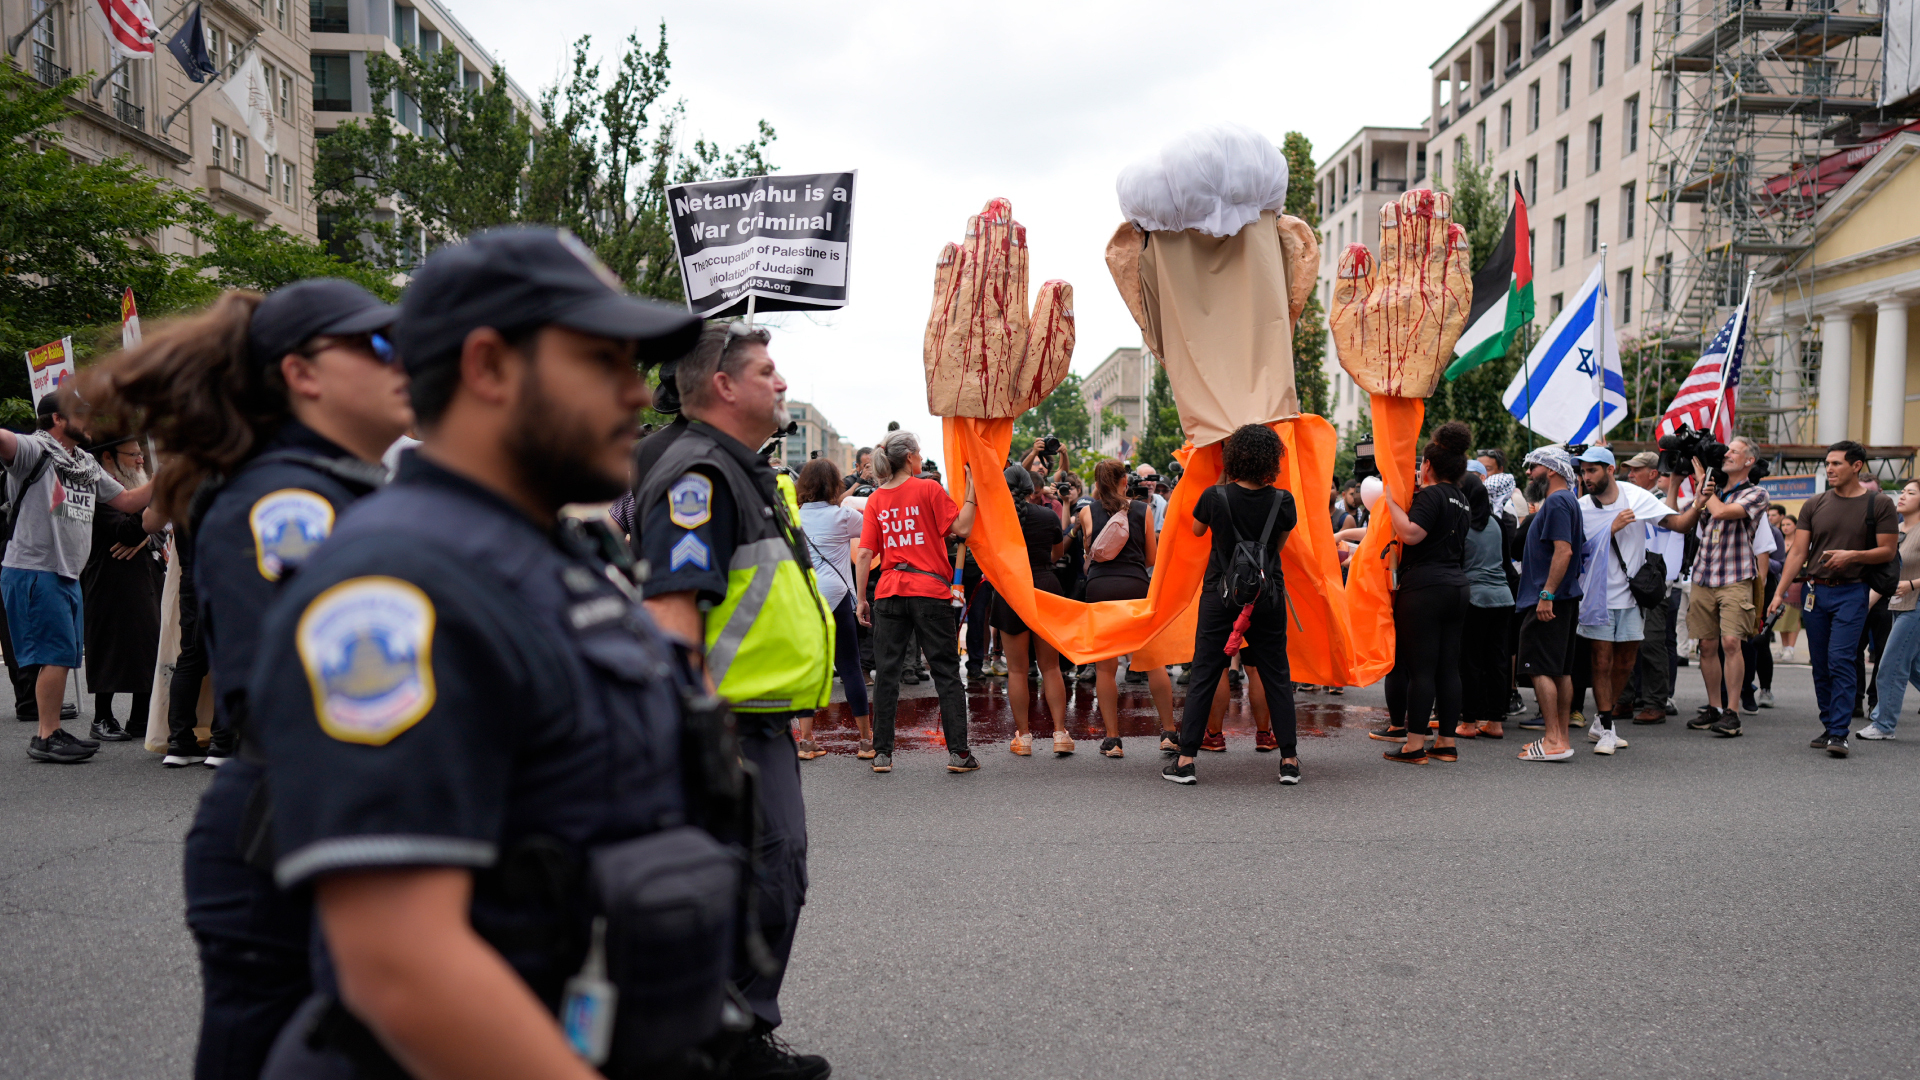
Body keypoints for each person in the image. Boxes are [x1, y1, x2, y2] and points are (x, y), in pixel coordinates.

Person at [247, 229, 810, 1080]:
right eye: (604, 361)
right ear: (489, 367)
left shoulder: (555, 555)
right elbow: (403, 965)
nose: (636, 392)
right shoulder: (391, 590)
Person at [77, 278, 409, 1080]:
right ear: (303, 374)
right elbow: (306, 696)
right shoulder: (289, 499)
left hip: (308, 820)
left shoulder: (323, 480)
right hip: (295, 830)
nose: (403, 358)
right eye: (376, 344)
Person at [633, 320, 835, 1070]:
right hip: (724, 728)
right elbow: (672, 615)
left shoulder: (734, 466)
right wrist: (689, 731)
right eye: (767, 370)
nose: (782, 383)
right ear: (723, 385)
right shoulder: (700, 477)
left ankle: (728, 1034)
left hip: (754, 724)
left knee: (764, 879)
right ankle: (724, 1042)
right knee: (762, 879)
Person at [2, 393, 155, 762]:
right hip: (36, 567)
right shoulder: (32, 450)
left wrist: (169, 475)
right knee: (55, 653)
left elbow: (129, 503)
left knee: (66, 653)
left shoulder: (84, 462)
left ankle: (51, 730)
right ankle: (46, 735)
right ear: (57, 418)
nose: (90, 422)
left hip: (69, 571)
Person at [1162, 424, 1301, 786]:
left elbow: (1195, 531)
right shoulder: (1283, 501)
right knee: (1276, 674)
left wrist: (1223, 482)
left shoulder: (1213, 496)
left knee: (1206, 672)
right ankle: (1289, 760)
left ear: (1232, 457)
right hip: (1267, 596)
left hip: (1220, 594)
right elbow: (1277, 547)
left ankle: (1186, 760)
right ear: (1273, 460)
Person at [854, 429, 979, 774]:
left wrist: (861, 599)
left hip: (889, 591)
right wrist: (972, 490)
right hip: (929, 591)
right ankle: (959, 754)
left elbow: (865, 554)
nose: (921, 458)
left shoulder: (877, 498)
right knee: (946, 673)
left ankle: (882, 754)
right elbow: (963, 528)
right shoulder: (928, 488)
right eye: (919, 453)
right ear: (909, 457)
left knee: (887, 675)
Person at [1770, 441, 1898, 758]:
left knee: (1841, 659)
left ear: (1856, 466)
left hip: (1853, 590)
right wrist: (1778, 592)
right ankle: (1829, 725)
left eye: (1837, 463)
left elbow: (1888, 551)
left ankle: (1839, 732)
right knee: (1821, 664)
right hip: (1815, 592)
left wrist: (1853, 555)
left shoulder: (1879, 503)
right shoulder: (1814, 504)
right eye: (1827, 463)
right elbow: (1798, 552)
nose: (1829, 468)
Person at [1571, 445, 1697, 751]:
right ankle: (1608, 728)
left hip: (1632, 596)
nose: (1586, 477)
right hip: (1596, 597)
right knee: (1601, 661)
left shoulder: (1636, 496)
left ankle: (1602, 722)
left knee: (1626, 662)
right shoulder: (1581, 507)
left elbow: (1680, 525)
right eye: (1583, 471)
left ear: (1610, 470)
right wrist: (1609, 530)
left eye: (1592, 470)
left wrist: (1701, 503)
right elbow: (1575, 552)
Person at [1376, 422, 1473, 765]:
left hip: (1425, 589)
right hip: (1457, 587)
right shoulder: (1462, 499)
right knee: (1448, 667)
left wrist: (1390, 501)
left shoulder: (1432, 495)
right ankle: (1446, 741)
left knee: (1420, 669)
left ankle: (1414, 744)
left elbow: (1412, 534)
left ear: (1428, 466)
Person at [1077, 458, 1170, 756]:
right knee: (1153, 661)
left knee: (1105, 667)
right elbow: (1151, 559)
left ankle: (1113, 739)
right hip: (1135, 586)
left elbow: (1088, 557)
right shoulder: (1142, 509)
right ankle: (1168, 733)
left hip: (1100, 588)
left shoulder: (1086, 512)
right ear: (1123, 481)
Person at [1683, 436, 1771, 737]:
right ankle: (1714, 708)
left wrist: (1704, 485)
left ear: (1749, 461)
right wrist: (1702, 490)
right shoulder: (1714, 491)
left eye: (1734, 451)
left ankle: (1733, 712)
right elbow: (1693, 516)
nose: (1727, 454)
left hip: (1735, 577)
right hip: (1704, 575)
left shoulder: (1757, 493)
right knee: (1706, 645)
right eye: (1727, 450)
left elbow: (1721, 512)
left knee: (1731, 642)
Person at [79, 434, 164, 741]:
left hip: (146, 574)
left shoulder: (136, 488)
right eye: (133, 455)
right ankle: (102, 716)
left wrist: (146, 535)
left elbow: (157, 533)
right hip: (108, 576)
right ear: (108, 458)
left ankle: (140, 716)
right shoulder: (98, 488)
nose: (141, 460)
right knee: (109, 643)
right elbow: (124, 531)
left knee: (148, 642)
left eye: (141, 454)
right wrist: (154, 499)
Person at [795, 457, 873, 759]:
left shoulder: (794, 517)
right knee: (850, 665)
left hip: (805, 597)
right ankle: (866, 741)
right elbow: (871, 532)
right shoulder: (843, 516)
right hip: (838, 595)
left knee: (808, 667)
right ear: (833, 485)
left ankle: (806, 740)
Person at [1512, 446, 1584, 761]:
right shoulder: (1567, 500)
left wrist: (1546, 594)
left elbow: (1564, 550)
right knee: (1560, 670)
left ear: (1551, 470)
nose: (1529, 473)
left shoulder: (1557, 501)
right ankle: (1559, 738)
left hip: (1548, 599)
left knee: (1539, 667)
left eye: (1534, 467)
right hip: (1561, 598)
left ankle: (1553, 739)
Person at [994, 466, 1071, 756]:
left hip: (1011, 591)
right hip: (1045, 587)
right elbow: (1057, 554)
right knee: (1050, 667)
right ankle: (1060, 733)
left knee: (1017, 670)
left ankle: (1024, 738)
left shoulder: (997, 519)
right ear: (1032, 489)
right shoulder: (1048, 515)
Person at [1620, 452, 1684, 724]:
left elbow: (1671, 522)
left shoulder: (1660, 502)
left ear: (1653, 473)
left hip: (1654, 582)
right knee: (1623, 640)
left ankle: (1656, 702)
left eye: (1636, 470)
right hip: (1627, 579)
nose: (1630, 475)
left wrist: (1677, 484)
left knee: (1652, 643)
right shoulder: (1627, 499)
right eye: (1629, 470)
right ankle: (1623, 699)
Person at [1859, 479, 1920, 740]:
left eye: (1911, 492)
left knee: (1890, 664)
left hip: (1916, 605)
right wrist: (1864, 605)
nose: (1903, 496)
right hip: (1898, 604)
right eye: (1903, 491)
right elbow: (1887, 576)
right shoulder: (1895, 531)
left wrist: (1912, 585)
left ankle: (1884, 725)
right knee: (1915, 667)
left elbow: (1904, 581)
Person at [1457, 470, 1515, 739]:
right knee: (1498, 661)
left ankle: (1468, 722)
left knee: (1470, 661)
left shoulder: (1461, 523)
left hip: (1474, 599)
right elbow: (1506, 563)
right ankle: (1495, 721)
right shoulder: (1496, 523)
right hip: (1502, 598)